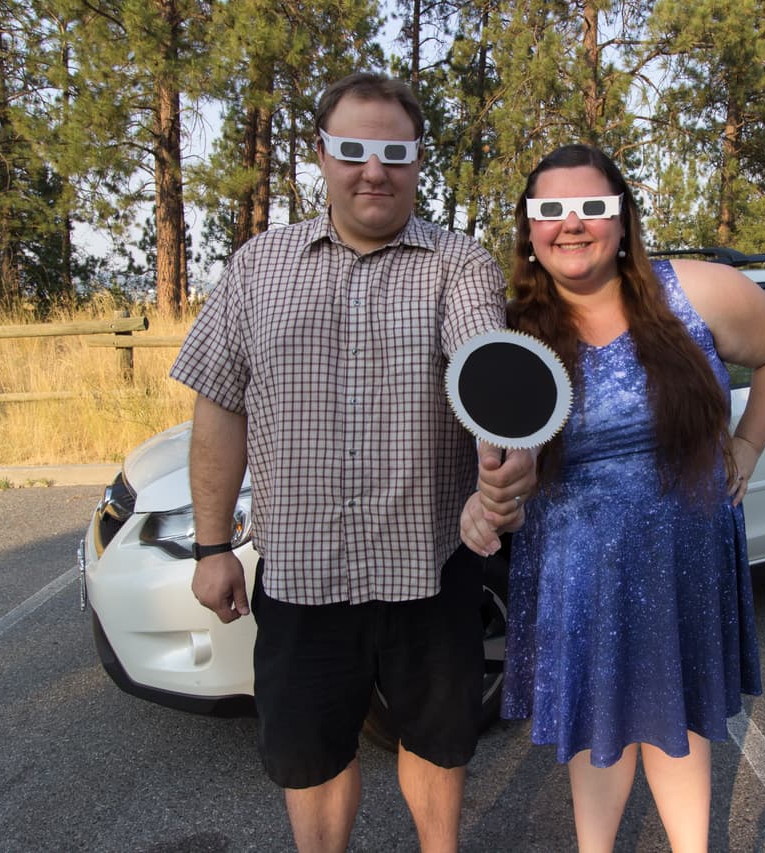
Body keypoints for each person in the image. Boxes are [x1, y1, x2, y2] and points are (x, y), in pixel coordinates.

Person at [171, 72, 535, 853]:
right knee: (310, 755)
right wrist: (210, 546)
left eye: (395, 152)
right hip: (302, 574)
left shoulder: (457, 264)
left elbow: (484, 364)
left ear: (417, 159)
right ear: (322, 154)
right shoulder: (257, 267)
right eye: (355, 150)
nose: (376, 170)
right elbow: (218, 405)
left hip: (429, 569)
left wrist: (501, 464)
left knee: (437, 745)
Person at [461, 144, 765, 852]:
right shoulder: (513, 333)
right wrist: (492, 500)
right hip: (578, 569)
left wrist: (745, 447)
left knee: (676, 727)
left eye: (593, 206)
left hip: (680, 558)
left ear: (623, 221)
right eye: (550, 210)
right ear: (528, 229)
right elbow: (503, 465)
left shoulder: (696, 292)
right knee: (599, 731)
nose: (572, 224)